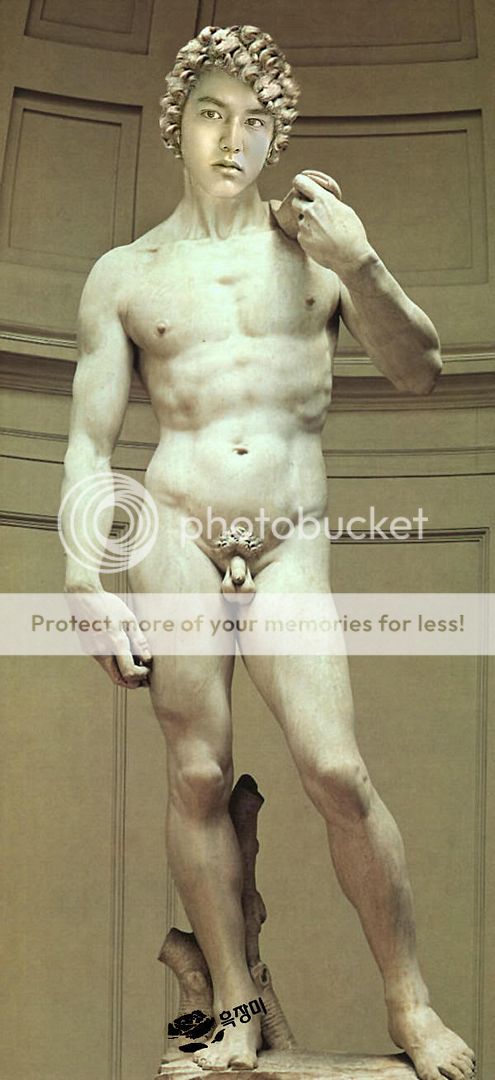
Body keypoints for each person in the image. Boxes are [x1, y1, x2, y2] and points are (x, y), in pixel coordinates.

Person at [60, 24, 475, 1079]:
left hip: (289, 538)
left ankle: (411, 1004)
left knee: (336, 768)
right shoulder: (126, 274)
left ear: (276, 135)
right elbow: (88, 446)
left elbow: (421, 369)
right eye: (212, 114)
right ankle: (236, 1007)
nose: (232, 138)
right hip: (175, 528)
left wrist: (360, 260)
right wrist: (82, 578)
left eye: (255, 120)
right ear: (177, 125)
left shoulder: (320, 253)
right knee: (198, 773)